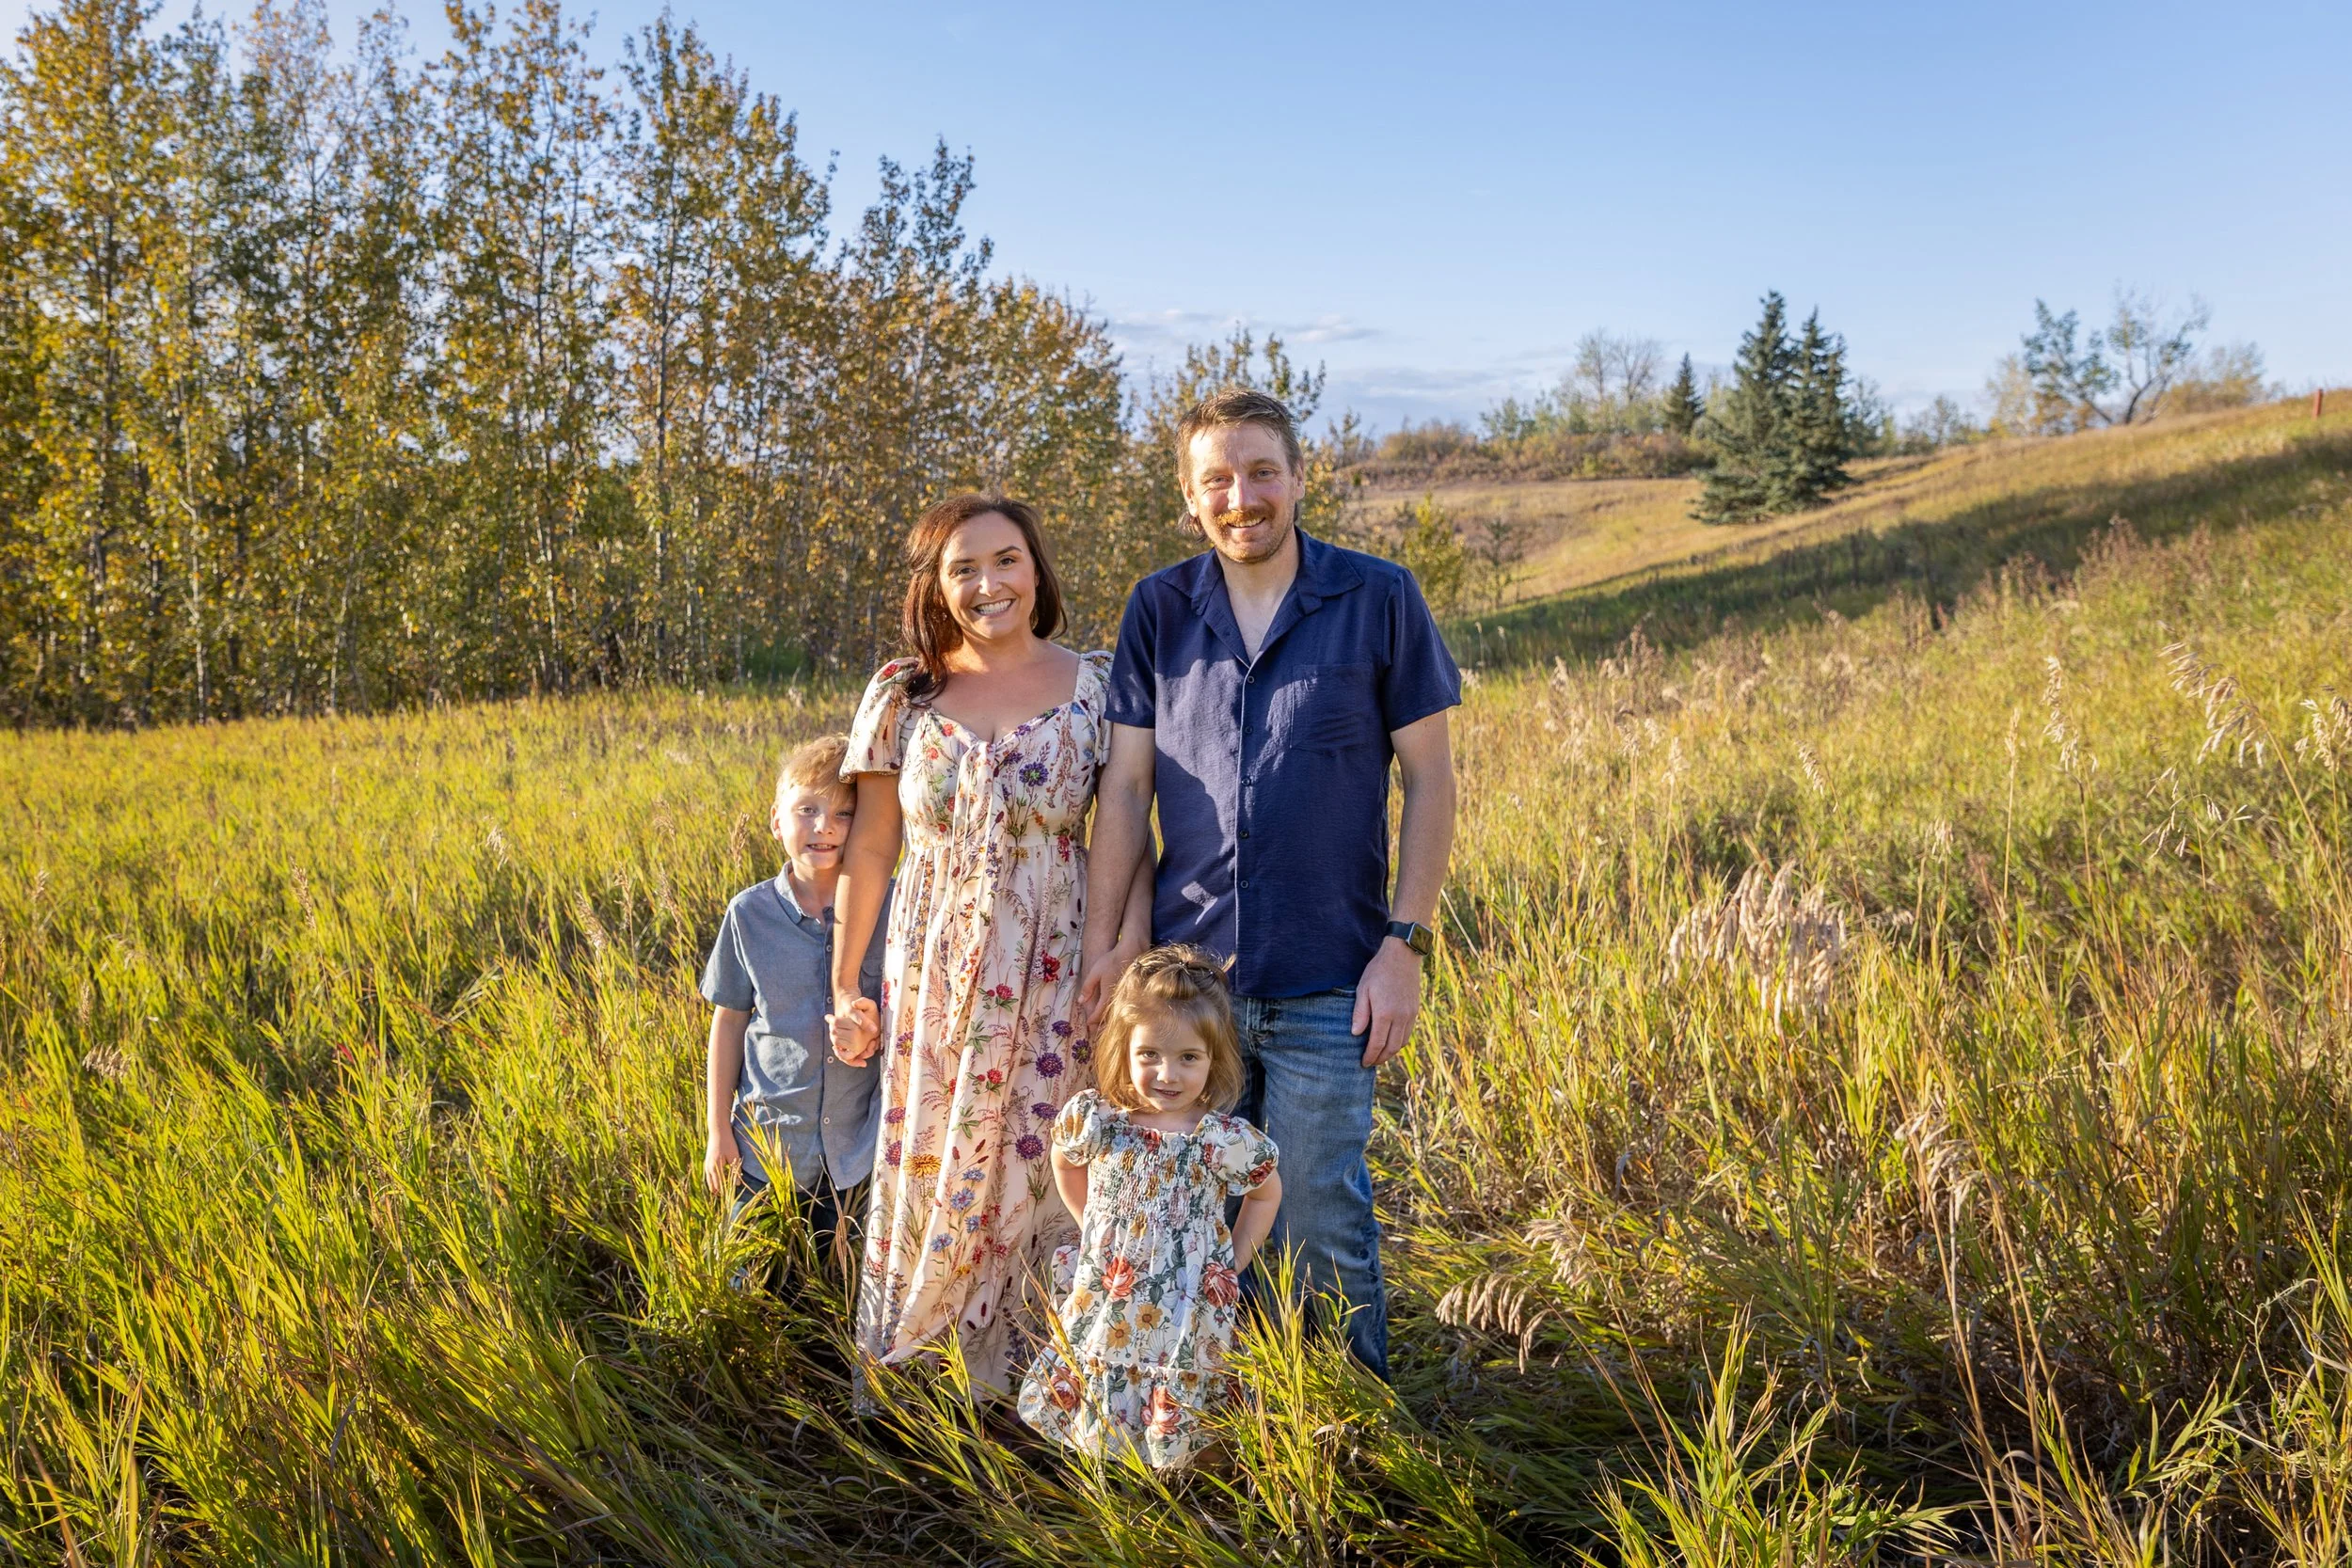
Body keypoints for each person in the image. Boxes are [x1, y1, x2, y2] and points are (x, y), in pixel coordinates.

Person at [1084, 388, 1460, 1381]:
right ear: (1189, 495)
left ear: (1298, 477)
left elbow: (1430, 779)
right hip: (1189, 989)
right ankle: (1224, 1417)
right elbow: (1125, 788)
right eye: (1217, 479)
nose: (1240, 497)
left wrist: (1405, 945)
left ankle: (1353, 1426)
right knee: (1194, 1213)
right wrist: (1107, 948)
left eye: (1260, 472)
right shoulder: (1159, 608)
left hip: (1330, 974)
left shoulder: (1379, 597)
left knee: (1317, 1219)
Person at [830, 492, 1154, 1396]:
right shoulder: (903, 694)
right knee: (935, 1147)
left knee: (1045, 1157)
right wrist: (846, 985)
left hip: (1061, 959)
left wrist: (1125, 945)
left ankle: (1039, 1381)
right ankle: (927, 1380)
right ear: (936, 587)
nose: (988, 583)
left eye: (1006, 559)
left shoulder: (1096, 685)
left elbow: (1133, 828)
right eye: (963, 568)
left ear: (1036, 569)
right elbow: (871, 848)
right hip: (934, 966)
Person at [1017, 945, 1280, 1469]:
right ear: (1126, 1050)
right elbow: (1065, 1160)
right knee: (1101, 1370)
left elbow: (1265, 1192)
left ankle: (1180, 1480)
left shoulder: (1220, 1139)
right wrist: (1091, 1222)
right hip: (1111, 1292)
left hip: (1185, 1302)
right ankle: (1106, 1473)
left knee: (1180, 1381)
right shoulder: (1102, 1122)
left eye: (1188, 1058)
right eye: (1150, 1055)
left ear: (1213, 1058)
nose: (1168, 1074)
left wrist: (1232, 1261)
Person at [699, 735, 890, 1270]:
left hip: (857, 1151)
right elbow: (729, 1022)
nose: (824, 826)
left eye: (844, 814)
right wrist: (717, 1132)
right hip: (767, 1148)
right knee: (749, 1282)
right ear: (776, 820)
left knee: (840, 1288)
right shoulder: (749, 915)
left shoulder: (894, 908)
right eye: (808, 809)